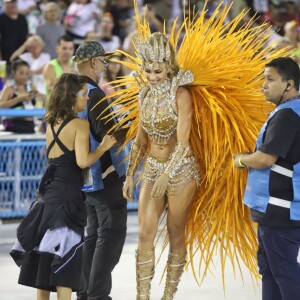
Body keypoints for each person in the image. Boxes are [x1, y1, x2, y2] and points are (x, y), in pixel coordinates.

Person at [10, 73, 117, 300]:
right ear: (71, 96)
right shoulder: (80, 124)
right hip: (67, 199)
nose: (86, 99)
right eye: (83, 94)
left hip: (46, 197)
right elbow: (83, 161)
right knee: (65, 267)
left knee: (44, 261)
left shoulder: (50, 122)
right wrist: (104, 146)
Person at [122, 32, 200, 300]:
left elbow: (184, 141)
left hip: (181, 171)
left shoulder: (181, 93)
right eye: (148, 71)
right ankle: (142, 296)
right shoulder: (144, 94)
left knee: (175, 231)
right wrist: (130, 174)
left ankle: (168, 296)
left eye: (157, 71)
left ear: (168, 66)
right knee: (144, 232)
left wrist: (169, 174)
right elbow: (140, 138)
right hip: (153, 168)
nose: (152, 76)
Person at [234, 57, 300, 300]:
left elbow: (265, 159)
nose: (263, 85)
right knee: (271, 270)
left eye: (270, 80)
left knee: (283, 270)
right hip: (278, 210)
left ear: (289, 85)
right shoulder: (290, 112)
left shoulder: (287, 116)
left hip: (280, 210)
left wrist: (240, 160)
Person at [74, 41, 128, 300]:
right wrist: (133, 121)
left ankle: (85, 293)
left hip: (85, 177)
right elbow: (109, 135)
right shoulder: (94, 94)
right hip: (105, 177)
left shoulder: (71, 91)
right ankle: (96, 295)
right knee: (110, 235)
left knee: (93, 235)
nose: (105, 67)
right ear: (93, 62)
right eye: (103, 62)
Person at [0, 59, 40, 133]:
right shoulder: (9, 89)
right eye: (21, 73)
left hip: (30, 126)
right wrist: (18, 99)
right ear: (14, 73)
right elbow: (1, 105)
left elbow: (40, 101)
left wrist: (38, 96)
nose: (24, 76)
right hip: (13, 126)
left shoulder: (31, 87)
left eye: (27, 73)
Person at [43, 35, 75, 99]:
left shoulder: (75, 64)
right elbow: (51, 89)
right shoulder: (50, 66)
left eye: (70, 49)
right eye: (64, 48)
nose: (67, 51)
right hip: (55, 106)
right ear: (57, 49)